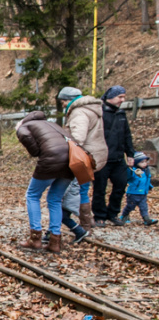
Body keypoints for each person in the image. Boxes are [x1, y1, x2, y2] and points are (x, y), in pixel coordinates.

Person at [15, 110, 75, 253]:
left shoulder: (24, 127)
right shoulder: (52, 125)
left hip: (52, 160)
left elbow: (35, 151)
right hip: (72, 161)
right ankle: (55, 241)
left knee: (32, 195)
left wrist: (19, 131)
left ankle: (35, 239)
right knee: (55, 199)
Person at [60, 86, 108, 231]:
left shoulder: (79, 112)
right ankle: (86, 223)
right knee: (82, 189)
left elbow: (78, 138)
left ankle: (84, 226)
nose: (62, 104)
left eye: (62, 101)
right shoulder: (91, 109)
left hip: (83, 156)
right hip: (93, 154)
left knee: (77, 190)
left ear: (68, 99)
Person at [94, 85, 137, 227]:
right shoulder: (99, 113)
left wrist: (130, 154)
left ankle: (113, 213)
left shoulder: (121, 114)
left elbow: (127, 135)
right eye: (120, 97)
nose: (122, 100)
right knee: (100, 188)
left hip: (118, 159)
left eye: (123, 97)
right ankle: (99, 215)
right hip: (103, 158)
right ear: (111, 97)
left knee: (120, 185)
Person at [42, 180, 90, 245]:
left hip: (69, 200)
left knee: (62, 217)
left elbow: (66, 186)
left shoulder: (71, 176)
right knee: (58, 216)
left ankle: (79, 231)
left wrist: (58, 196)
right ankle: (50, 234)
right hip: (69, 199)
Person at [120, 152, 157, 226]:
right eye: (142, 162)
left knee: (144, 207)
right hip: (133, 193)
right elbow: (128, 177)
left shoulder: (146, 171)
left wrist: (149, 186)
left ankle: (146, 219)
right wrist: (129, 167)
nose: (145, 164)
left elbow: (146, 180)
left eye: (145, 162)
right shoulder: (133, 171)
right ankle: (124, 216)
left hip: (143, 193)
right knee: (130, 206)